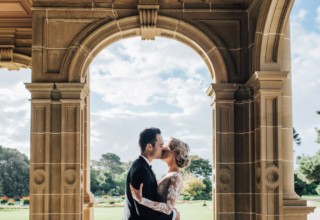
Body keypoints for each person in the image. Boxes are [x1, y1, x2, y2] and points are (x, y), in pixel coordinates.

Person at [124, 127, 179, 220]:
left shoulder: (141, 165)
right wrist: (173, 215)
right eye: (161, 145)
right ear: (149, 147)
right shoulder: (141, 169)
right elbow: (143, 212)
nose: (163, 148)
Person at [129, 137, 191, 219]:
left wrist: (141, 200)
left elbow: (168, 208)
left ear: (175, 153)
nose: (163, 149)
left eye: (167, 148)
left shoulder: (175, 177)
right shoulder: (168, 174)